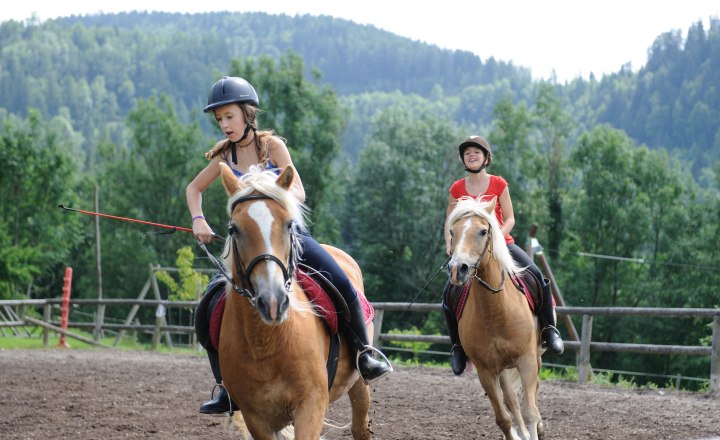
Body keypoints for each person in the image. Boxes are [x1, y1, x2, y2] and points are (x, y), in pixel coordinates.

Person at [186, 76, 392, 415]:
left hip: (287, 235)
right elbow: (193, 189)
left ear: (247, 114)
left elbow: (297, 192)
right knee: (209, 304)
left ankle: (364, 353)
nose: (224, 125)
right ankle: (226, 386)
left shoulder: (272, 148)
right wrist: (198, 219)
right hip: (247, 244)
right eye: (219, 119)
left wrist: (267, 191)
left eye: (230, 117)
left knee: (340, 282)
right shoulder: (223, 155)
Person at [442, 135, 564, 375]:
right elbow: (450, 221)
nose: (472, 155)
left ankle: (549, 330)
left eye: (476, 152)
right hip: (468, 251)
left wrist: (496, 238)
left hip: (501, 244)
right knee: (448, 295)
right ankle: (458, 347)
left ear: (486, 158)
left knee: (537, 275)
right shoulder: (457, 188)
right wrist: (450, 244)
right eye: (468, 153)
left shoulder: (498, 183)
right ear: (463, 159)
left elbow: (510, 219)